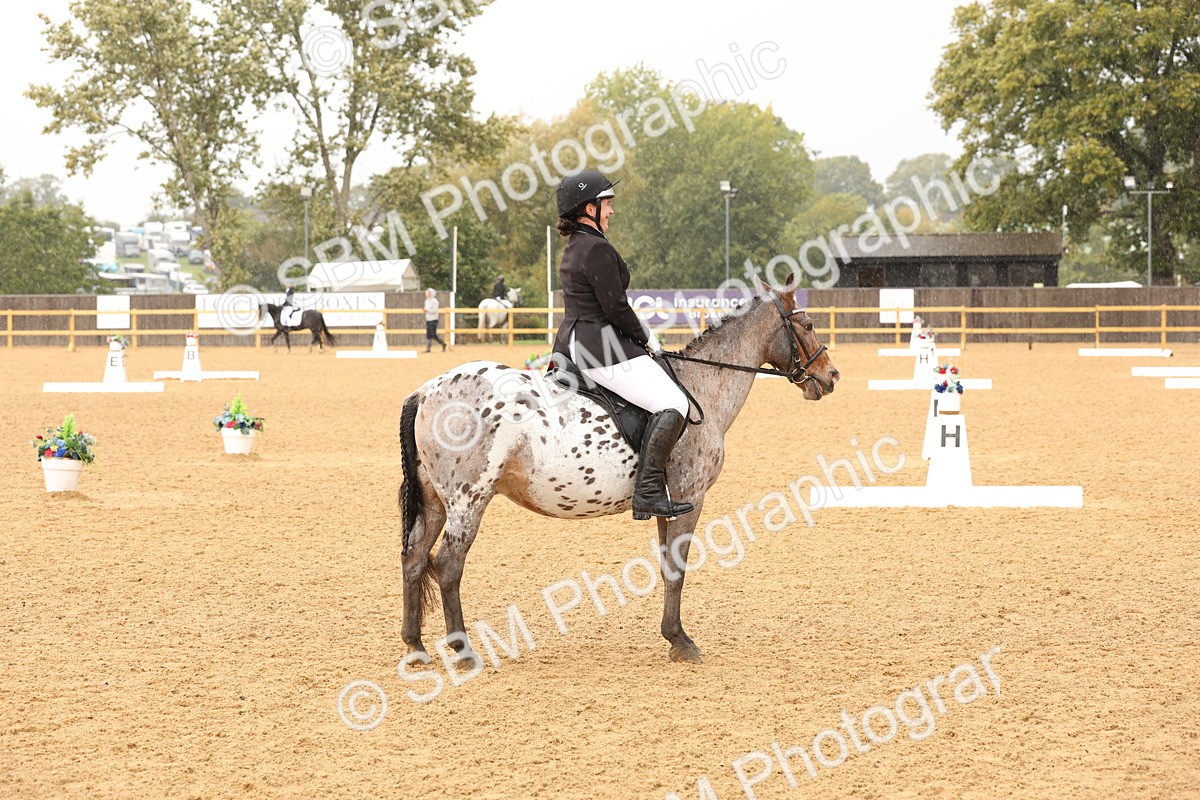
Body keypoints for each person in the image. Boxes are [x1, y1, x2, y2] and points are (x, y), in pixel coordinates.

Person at [551, 169, 693, 521]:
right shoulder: (597, 248)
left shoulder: (575, 246)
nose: (611, 210)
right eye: (607, 203)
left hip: (573, 341)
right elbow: (615, 308)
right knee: (674, 401)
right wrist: (646, 337)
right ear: (589, 209)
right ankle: (648, 492)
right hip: (599, 346)